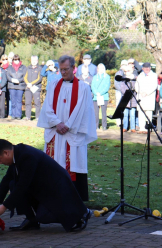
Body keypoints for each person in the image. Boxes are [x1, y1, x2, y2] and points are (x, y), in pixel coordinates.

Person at [0, 139, 92, 232]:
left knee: (43, 217)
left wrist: (4, 207)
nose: (0, 163)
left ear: (6, 153)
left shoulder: (26, 156)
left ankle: (81, 214)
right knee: (12, 184)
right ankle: (32, 221)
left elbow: (23, 185)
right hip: (43, 187)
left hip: (57, 188)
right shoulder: (17, 154)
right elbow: (7, 179)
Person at [37, 55, 97, 201]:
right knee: (54, 164)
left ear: (73, 68)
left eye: (66, 69)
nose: (63, 72)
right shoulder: (53, 85)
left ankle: (73, 199)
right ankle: (53, 199)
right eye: (61, 69)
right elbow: (47, 108)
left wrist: (68, 125)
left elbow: (82, 110)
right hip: (56, 133)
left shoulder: (83, 88)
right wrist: (57, 123)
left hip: (72, 134)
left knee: (73, 166)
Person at [135, 62, 158, 134]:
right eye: (145, 68)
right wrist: (140, 92)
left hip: (149, 96)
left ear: (150, 68)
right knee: (141, 113)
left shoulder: (154, 75)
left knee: (148, 113)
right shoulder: (140, 75)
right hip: (141, 96)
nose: (147, 69)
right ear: (142, 68)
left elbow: (154, 86)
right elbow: (136, 86)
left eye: (148, 67)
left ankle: (148, 128)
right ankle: (141, 128)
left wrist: (147, 92)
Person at [6, 54, 27, 120]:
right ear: (13, 60)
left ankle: (18, 115)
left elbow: (25, 76)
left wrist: (19, 80)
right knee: (13, 101)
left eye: (17, 60)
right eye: (15, 60)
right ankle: (13, 114)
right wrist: (12, 80)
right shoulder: (9, 67)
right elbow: (8, 76)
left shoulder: (23, 67)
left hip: (20, 86)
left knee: (19, 101)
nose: (16, 61)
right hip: (12, 86)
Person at [91, 63, 111, 131]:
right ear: (97, 69)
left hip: (104, 97)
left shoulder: (107, 77)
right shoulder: (94, 77)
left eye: (102, 68)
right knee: (96, 113)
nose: (101, 70)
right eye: (99, 68)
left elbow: (106, 86)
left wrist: (101, 93)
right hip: (96, 97)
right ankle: (96, 126)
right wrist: (96, 93)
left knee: (104, 112)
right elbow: (92, 86)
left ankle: (104, 125)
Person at [24, 55, 43, 121]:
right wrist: (28, 83)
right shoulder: (27, 68)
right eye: (32, 60)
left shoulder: (39, 68)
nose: (34, 62)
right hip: (28, 87)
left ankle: (38, 117)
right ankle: (28, 117)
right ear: (31, 61)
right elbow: (25, 77)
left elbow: (39, 78)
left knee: (37, 103)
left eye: (35, 60)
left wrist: (31, 83)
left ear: (37, 61)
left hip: (36, 88)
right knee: (28, 102)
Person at [120, 65, 137, 132]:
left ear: (132, 71)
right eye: (125, 71)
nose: (127, 72)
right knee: (125, 114)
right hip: (125, 99)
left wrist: (132, 93)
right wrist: (126, 94)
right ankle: (125, 127)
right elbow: (122, 88)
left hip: (133, 99)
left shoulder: (135, 79)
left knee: (132, 114)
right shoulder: (123, 79)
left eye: (128, 71)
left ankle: (133, 128)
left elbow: (136, 87)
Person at [114, 60, 128, 126]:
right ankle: (119, 122)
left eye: (126, 65)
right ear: (121, 65)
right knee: (119, 107)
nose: (125, 66)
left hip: (125, 93)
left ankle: (125, 122)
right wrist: (122, 90)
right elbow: (116, 84)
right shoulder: (118, 73)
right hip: (119, 92)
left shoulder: (127, 73)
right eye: (123, 65)